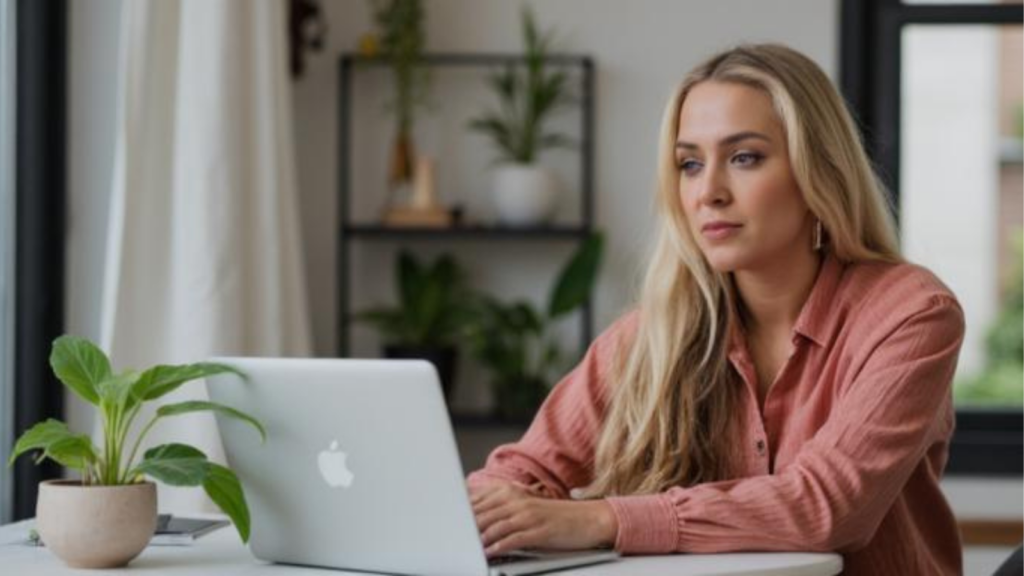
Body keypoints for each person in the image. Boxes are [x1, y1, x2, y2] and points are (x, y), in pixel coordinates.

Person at [467, 43, 965, 575]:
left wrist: (600, 519)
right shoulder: (654, 336)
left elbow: (827, 507)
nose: (708, 192)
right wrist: (494, 511)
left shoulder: (910, 315)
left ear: (818, 171)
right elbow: (520, 472)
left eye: (745, 157)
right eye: (689, 164)